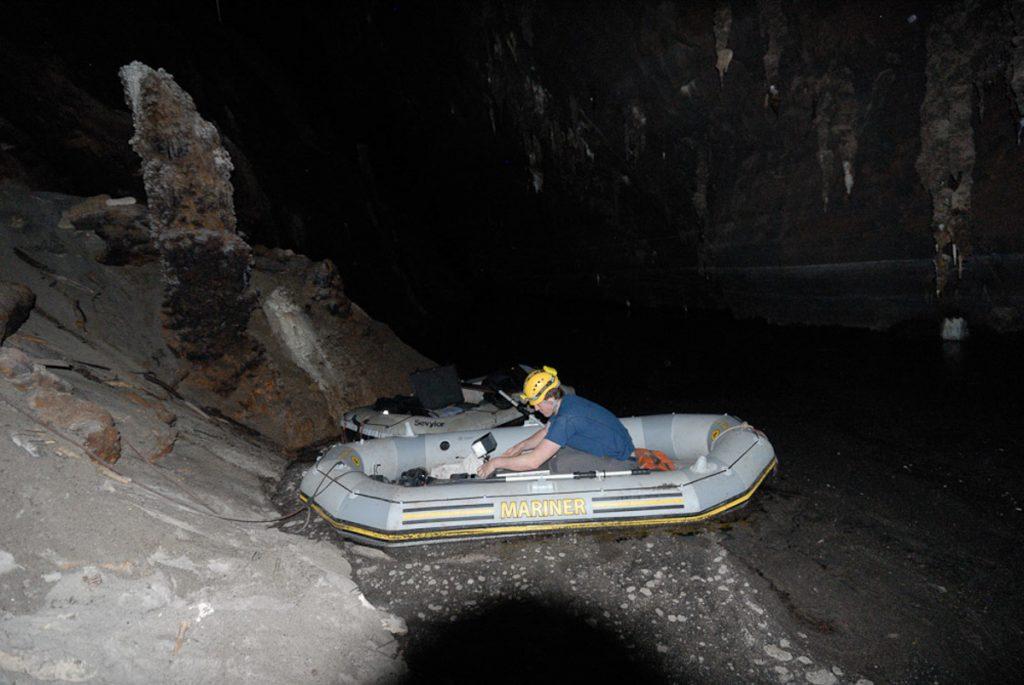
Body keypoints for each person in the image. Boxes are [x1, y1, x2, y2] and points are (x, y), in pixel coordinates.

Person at [476, 366, 635, 478]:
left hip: (621, 461)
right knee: (556, 455)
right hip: (614, 449)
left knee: (560, 464)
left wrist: (495, 463)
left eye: (537, 403)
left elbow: (533, 462)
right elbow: (547, 431)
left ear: (550, 399)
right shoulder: (565, 402)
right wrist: (521, 446)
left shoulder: (567, 418)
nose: (536, 409)